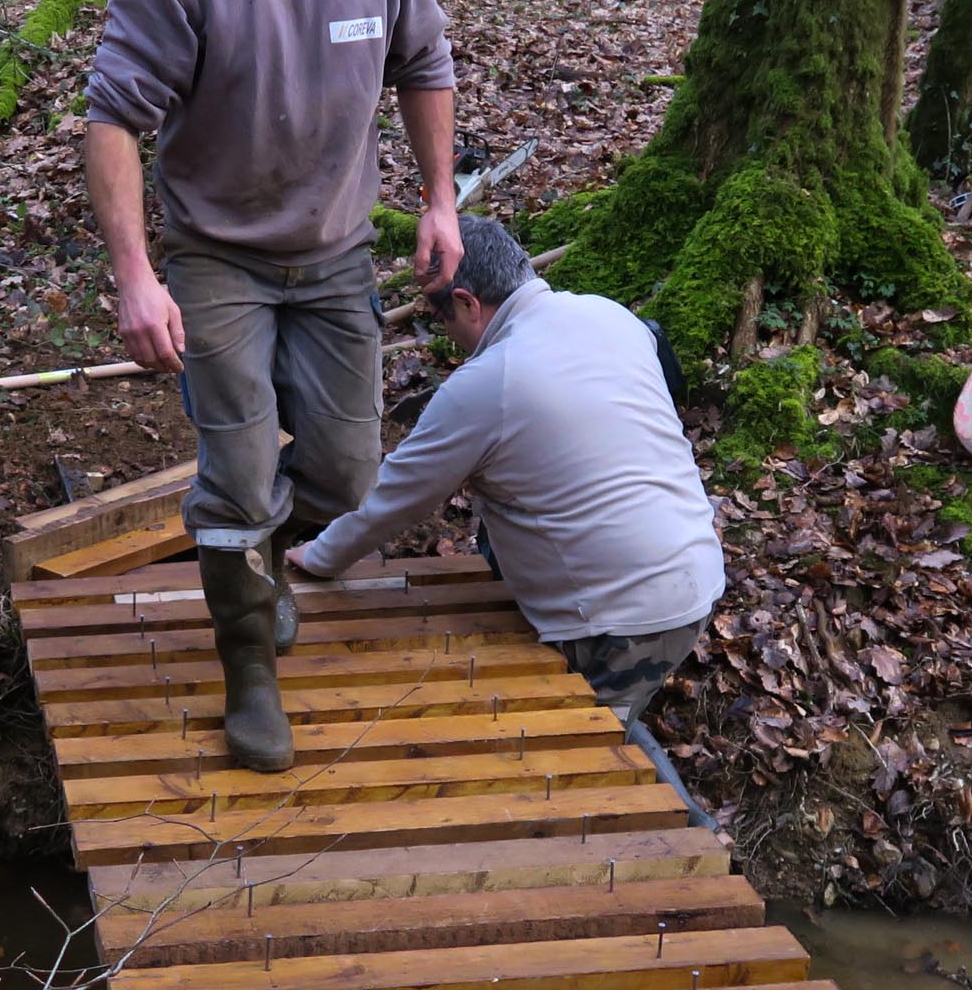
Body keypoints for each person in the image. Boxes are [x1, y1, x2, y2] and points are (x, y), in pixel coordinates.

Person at [83, 0, 462, 773]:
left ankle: (269, 572)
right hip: (218, 260)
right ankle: (250, 674)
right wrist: (136, 276)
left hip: (337, 250)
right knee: (242, 479)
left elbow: (423, 63)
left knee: (348, 476)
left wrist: (439, 202)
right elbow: (111, 119)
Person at [290, 217, 726, 725]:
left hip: (623, 623)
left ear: (468, 303)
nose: (447, 334)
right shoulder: (611, 316)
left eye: (441, 316)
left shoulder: (487, 382)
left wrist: (318, 557)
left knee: (574, 747)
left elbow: (394, 501)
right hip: (696, 573)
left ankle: (621, 749)